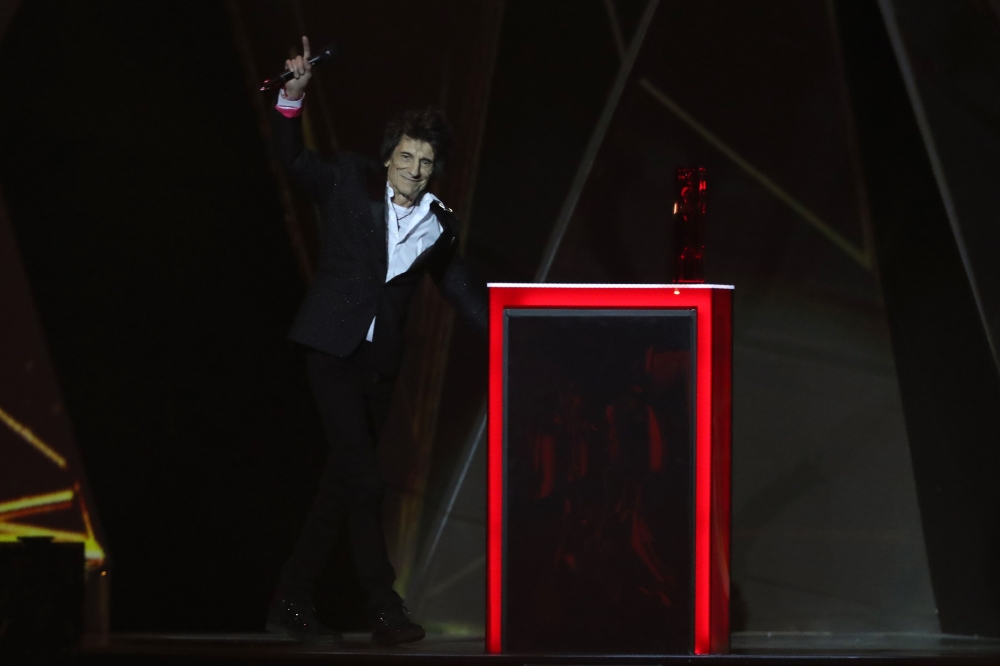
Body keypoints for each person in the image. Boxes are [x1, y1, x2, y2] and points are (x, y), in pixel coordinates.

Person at [265, 36, 488, 645]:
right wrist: (292, 97)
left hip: (378, 366)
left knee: (342, 484)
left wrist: (513, 330)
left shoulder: (440, 224)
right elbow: (292, 158)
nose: (415, 171)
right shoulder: (346, 180)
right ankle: (383, 605)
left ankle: (290, 599)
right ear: (389, 156)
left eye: (426, 162)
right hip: (331, 352)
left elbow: (462, 289)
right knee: (364, 480)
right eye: (407, 157)